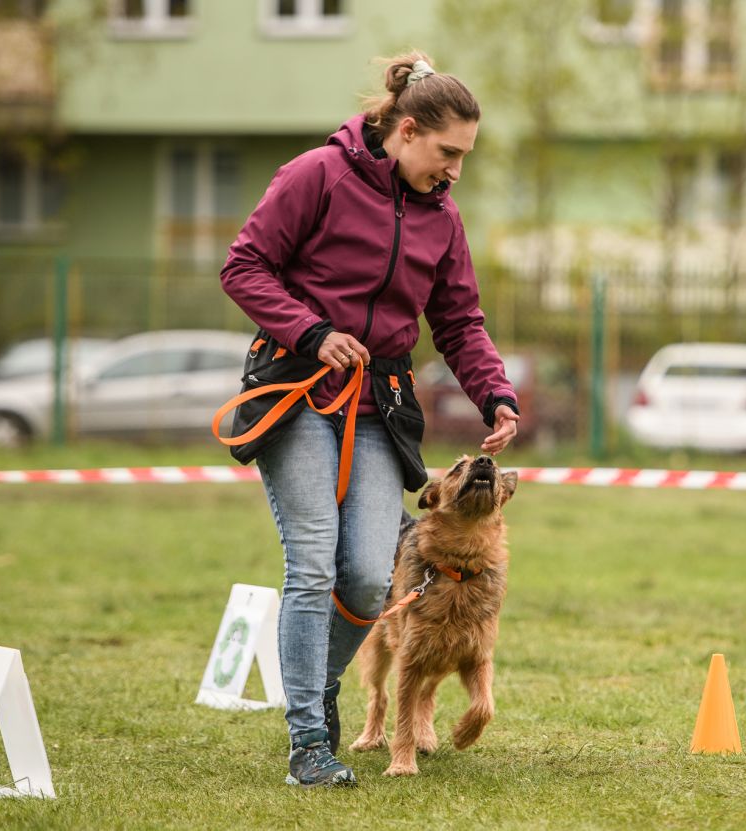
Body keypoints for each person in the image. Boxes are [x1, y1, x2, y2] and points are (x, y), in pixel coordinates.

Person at [220, 51, 520, 788]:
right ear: (407, 129)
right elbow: (245, 266)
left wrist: (495, 393)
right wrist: (313, 331)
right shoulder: (315, 175)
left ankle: (317, 694)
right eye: (447, 153)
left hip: (380, 403)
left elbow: (459, 318)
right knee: (315, 560)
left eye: (465, 159)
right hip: (297, 388)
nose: (454, 171)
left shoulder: (441, 217)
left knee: (363, 579)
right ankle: (309, 742)